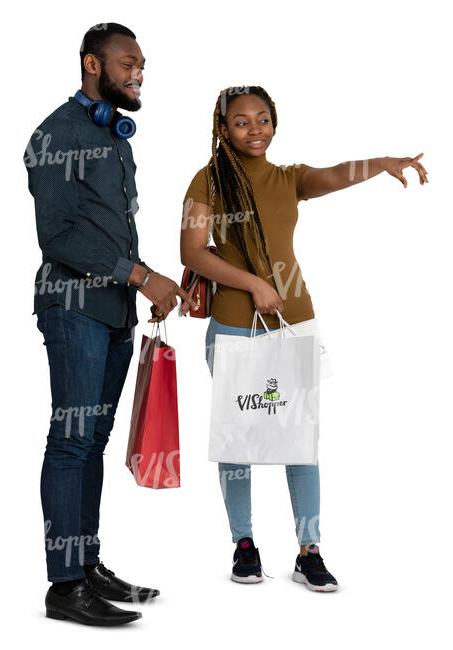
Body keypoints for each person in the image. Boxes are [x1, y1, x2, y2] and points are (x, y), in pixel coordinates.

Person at [180, 85, 428, 591]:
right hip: (232, 323)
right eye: (242, 121)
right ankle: (243, 545)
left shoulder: (287, 178)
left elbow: (334, 175)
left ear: (275, 123)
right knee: (238, 437)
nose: (255, 129)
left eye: (263, 119)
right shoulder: (206, 181)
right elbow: (191, 252)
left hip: (295, 319)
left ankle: (309, 550)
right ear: (223, 128)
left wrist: (381, 162)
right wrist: (253, 284)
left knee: (301, 440)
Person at [23, 23, 197, 626]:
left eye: (142, 64)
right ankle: (64, 587)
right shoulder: (55, 134)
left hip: (113, 310)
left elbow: (105, 229)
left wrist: (137, 287)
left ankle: (86, 564)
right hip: (72, 309)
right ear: (93, 64)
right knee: (70, 441)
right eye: (128, 63)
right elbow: (60, 236)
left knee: (91, 441)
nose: (138, 73)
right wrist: (142, 275)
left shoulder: (115, 138)